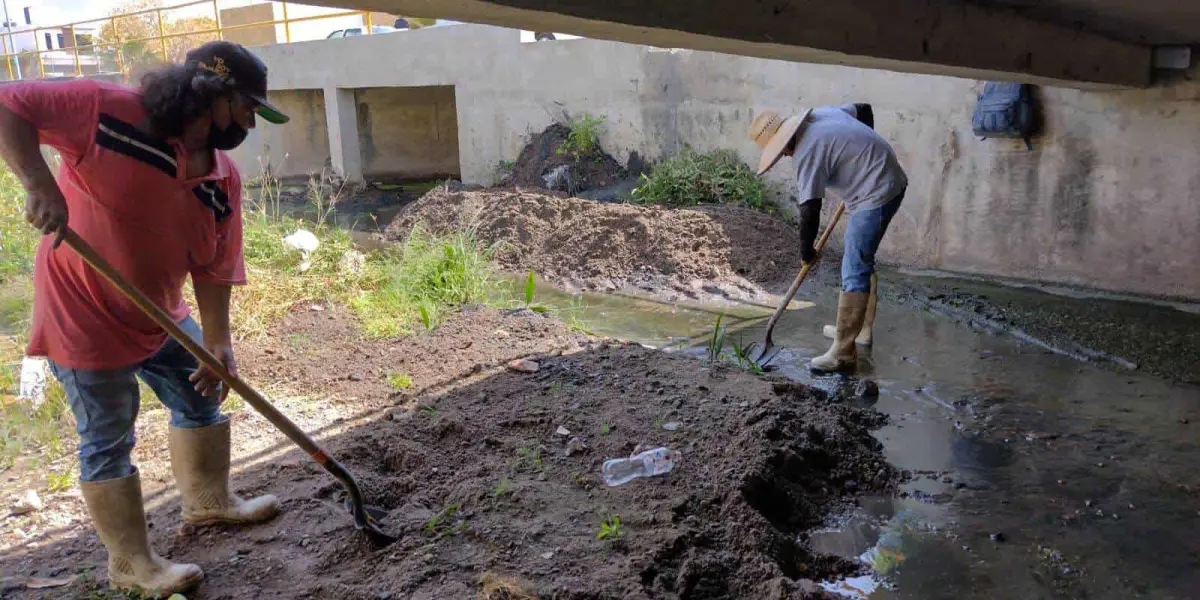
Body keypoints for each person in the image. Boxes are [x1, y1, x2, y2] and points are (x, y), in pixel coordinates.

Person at [0, 41, 289, 595]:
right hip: (81, 311)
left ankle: (209, 501)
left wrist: (220, 342)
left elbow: (215, 266)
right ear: (212, 93)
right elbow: (11, 103)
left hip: (160, 312)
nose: (252, 123)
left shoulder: (221, 179)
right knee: (108, 436)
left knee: (202, 389)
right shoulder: (105, 112)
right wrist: (39, 183)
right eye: (248, 108)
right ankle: (132, 564)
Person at [748, 103, 907, 372]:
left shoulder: (806, 154)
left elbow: (809, 211)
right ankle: (859, 332)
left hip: (878, 193)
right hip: (882, 178)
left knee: (854, 268)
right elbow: (864, 109)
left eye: (781, 151)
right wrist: (861, 156)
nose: (784, 156)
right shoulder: (822, 114)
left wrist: (806, 253)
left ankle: (843, 353)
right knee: (860, 260)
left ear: (786, 141)